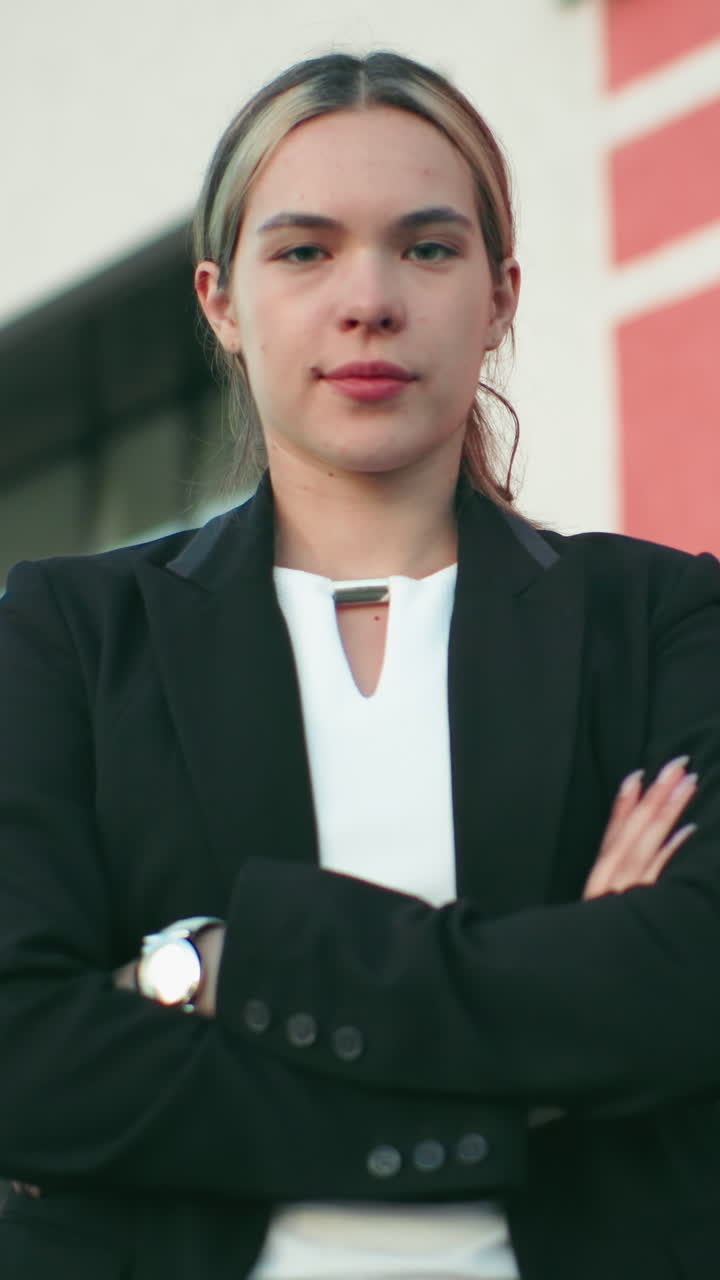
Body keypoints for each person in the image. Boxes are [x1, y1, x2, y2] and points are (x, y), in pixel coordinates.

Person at [0, 49, 719, 1280]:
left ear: (500, 294)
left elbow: (688, 988)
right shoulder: (70, 631)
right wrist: (538, 1039)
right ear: (222, 300)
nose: (370, 298)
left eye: (428, 248)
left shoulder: (659, 618)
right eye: (305, 250)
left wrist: (226, 960)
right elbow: (26, 1055)